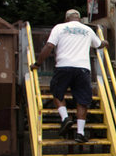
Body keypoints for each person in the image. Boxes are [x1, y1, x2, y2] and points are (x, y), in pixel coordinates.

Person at [31, 9, 107, 144]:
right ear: (78, 19)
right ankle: (80, 133)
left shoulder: (59, 28)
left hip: (63, 67)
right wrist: (105, 42)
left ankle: (65, 118)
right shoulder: (88, 30)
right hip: (83, 69)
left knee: (57, 91)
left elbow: (49, 46)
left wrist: (37, 64)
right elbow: (99, 45)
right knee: (82, 100)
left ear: (66, 19)